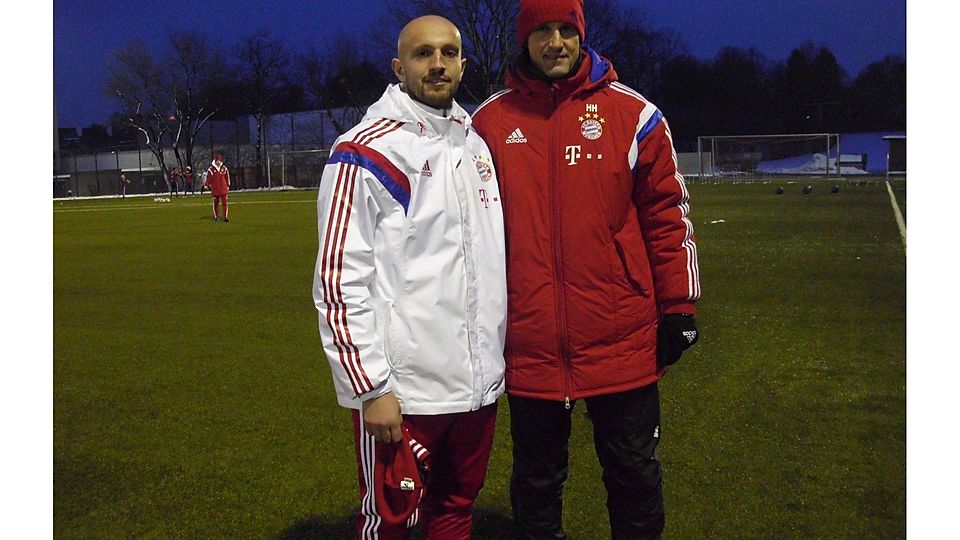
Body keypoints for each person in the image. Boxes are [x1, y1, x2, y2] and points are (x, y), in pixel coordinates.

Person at [470, 1, 701, 538]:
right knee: (535, 481)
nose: (556, 43)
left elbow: (667, 215)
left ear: (581, 37)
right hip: (529, 344)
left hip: (621, 336)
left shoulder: (635, 116)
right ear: (524, 41)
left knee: (633, 474)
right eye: (543, 32)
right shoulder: (489, 123)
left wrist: (679, 305)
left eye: (566, 31)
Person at [312, 15, 506, 540]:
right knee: (390, 523)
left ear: (464, 64)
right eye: (423, 54)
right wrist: (370, 388)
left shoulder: (476, 146)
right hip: (405, 392)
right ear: (400, 66)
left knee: (455, 510)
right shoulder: (364, 151)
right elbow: (337, 280)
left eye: (448, 53)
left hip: (476, 389)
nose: (438, 64)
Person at [204, 153, 230, 222]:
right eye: (217, 161)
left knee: (225, 203)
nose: (218, 162)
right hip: (215, 189)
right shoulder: (211, 170)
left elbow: (227, 177)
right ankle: (217, 217)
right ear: (215, 161)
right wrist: (206, 184)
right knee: (216, 204)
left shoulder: (224, 168)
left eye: (219, 161)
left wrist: (228, 185)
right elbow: (208, 178)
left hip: (223, 189)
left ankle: (225, 217)